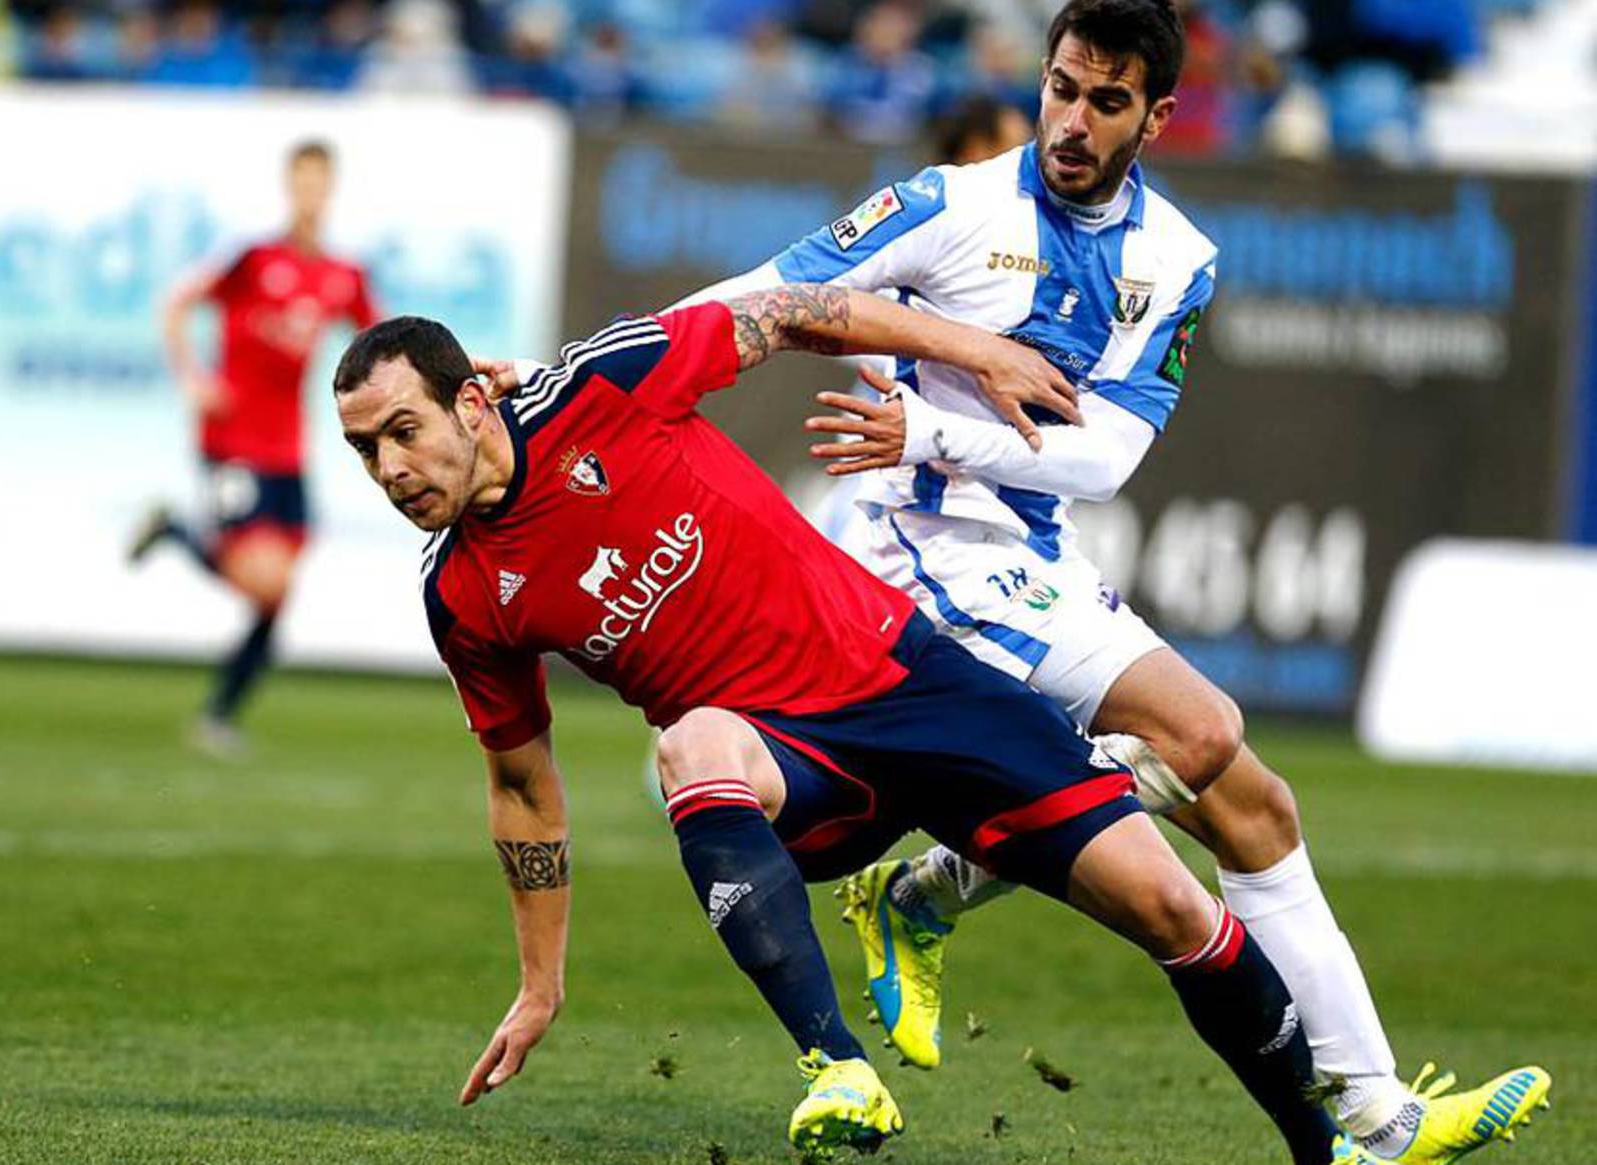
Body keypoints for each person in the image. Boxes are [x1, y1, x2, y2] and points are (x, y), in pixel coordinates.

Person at [675, 1, 1550, 1161]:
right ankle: (920, 894)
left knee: (1252, 799)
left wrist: (933, 435)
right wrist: (571, 379)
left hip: (1032, 552)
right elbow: (755, 296)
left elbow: (1106, 455)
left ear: (1157, 115)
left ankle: (1376, 1110)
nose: (1071, 122)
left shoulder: (1177, 257)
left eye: (1105, 101)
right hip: (917, 556)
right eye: (1060, 88)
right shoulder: (948, 205)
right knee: (1200, 731)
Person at [334, 284, 1395, 1164]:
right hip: (792, 767)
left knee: (1174, 906)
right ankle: (837, 1064)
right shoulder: (463, 597)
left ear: (473, 401)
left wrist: (973, 348)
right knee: (690, 745)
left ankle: (1326, 1148)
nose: (389, 471)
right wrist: (537, 984)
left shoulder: (605, 385)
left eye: (403, 431)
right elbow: (522, 787)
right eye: (365, 450)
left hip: (911, 682)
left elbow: (801, 312)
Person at [130, 140, 380, 755]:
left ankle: (218, 716)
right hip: (231, 440)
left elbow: (381, 342)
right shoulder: (252, 258)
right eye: (302, 182)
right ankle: (180, 533)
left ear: (331, 190)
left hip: (289, 452)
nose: (310, 194)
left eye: (321, 183)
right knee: (264, 586)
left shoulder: (342, 275)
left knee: (277, 598)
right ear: (288, 186)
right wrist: (192, 377)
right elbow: (175, 305)